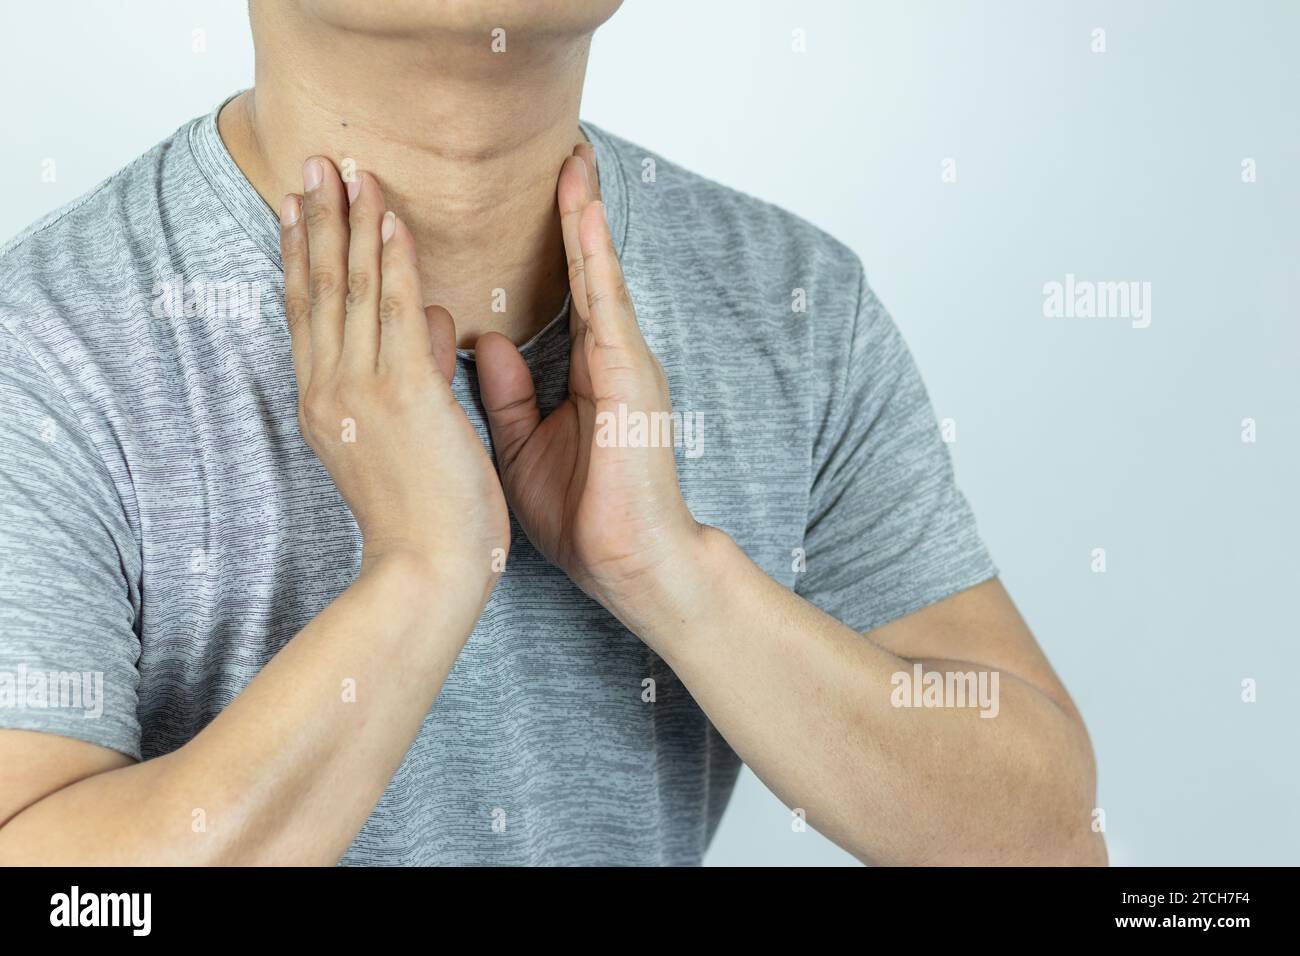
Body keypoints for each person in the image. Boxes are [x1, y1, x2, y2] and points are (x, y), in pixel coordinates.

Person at [0, 1, 1105, 866]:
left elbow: (1043, 837)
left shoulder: (793, 302)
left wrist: (673, 574)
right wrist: (422, 573)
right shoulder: (45, 342)